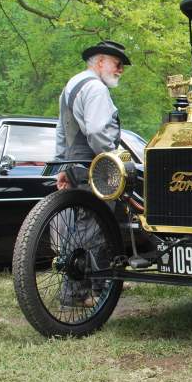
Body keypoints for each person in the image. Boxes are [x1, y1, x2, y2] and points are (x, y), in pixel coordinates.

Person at [54, 40, 132, 307]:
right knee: (96, 228)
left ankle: (93, 286)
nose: (120, 70)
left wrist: (63, 166)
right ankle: (79, 293)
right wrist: (110, 158)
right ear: (100, 62)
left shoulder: (71, 85)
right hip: (94, 168)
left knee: (77, 230)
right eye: (117, 64)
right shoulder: (96, 89)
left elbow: (62, 132)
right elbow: (98, 131)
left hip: (76, 166)